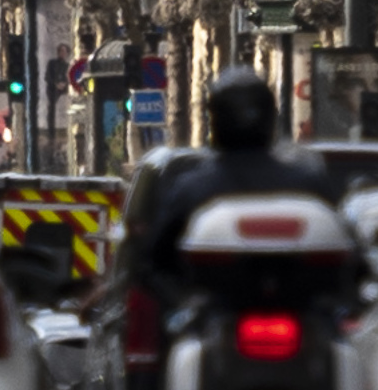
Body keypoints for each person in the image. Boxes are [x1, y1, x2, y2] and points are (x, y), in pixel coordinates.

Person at [137, 69, 333, 286]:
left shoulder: (192, 188)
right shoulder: (307, 183)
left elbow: (157, 258)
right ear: (270, 119)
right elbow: (352, 258)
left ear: (215, 121)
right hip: (299, 301)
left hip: (214, 304)